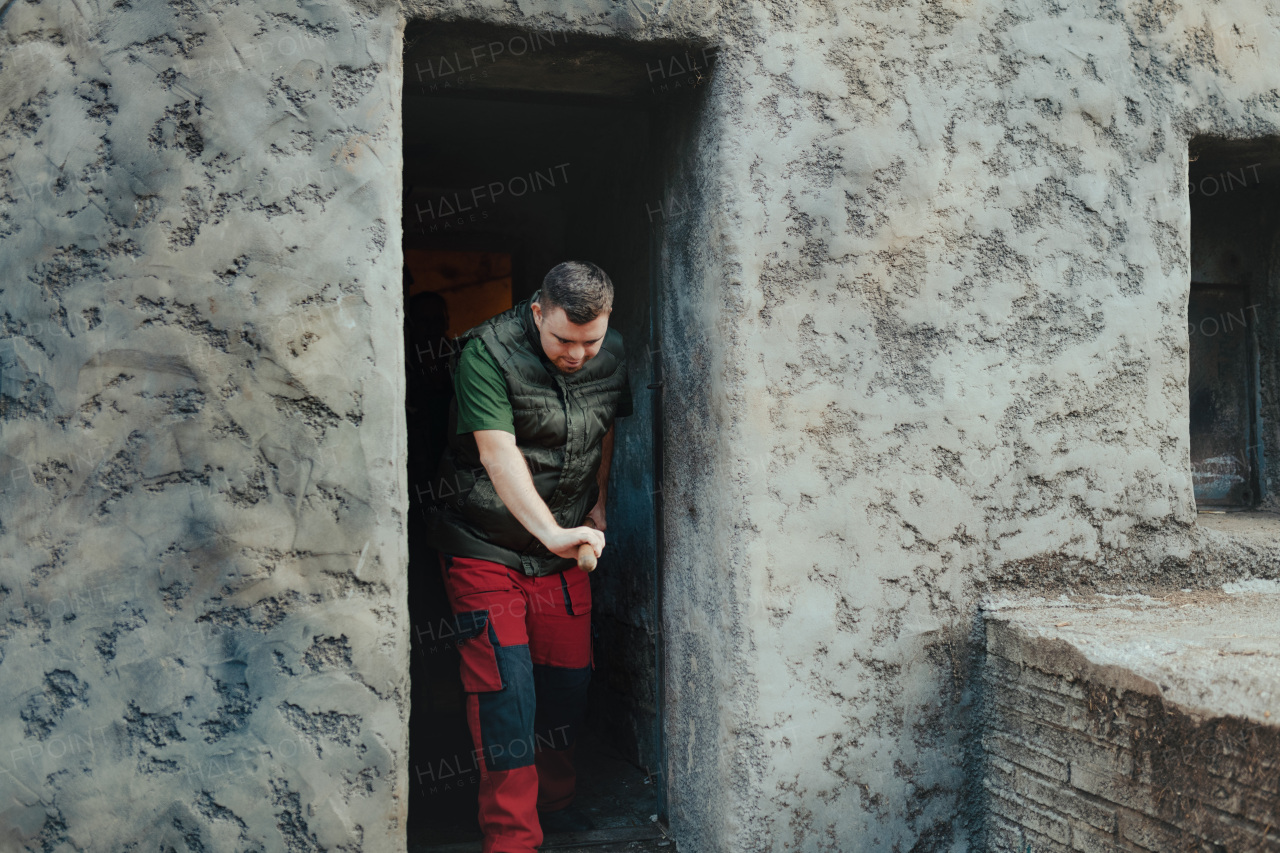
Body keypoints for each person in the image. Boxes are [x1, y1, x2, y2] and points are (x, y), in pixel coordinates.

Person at [425, 261, 632, 853]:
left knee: (569, 685)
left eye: (590, 341)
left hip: (563, 549)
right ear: (537, 313)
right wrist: (552, 533)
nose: (578, 354)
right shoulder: (484, 353)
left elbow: (603, 428)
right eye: (564, 339)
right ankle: (512, 838)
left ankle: (555, 803)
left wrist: (598, 502)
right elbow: (497, 455)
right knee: (506, 694)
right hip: (483, 545)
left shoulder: (609, 352)